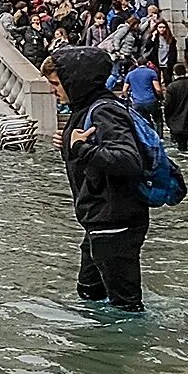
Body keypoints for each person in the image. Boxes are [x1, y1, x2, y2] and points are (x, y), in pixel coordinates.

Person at [47, 47, 153, 314]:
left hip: (115, 221)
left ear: (75, 80)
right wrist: (69, 146)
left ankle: (122, 352)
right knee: (90, 291)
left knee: (125, 306)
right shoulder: (86, 109)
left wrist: (81, 149)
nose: (53, 90)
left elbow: (128, 160)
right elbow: (91, 156)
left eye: (56, 83)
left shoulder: (105, 111)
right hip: (100, 220)